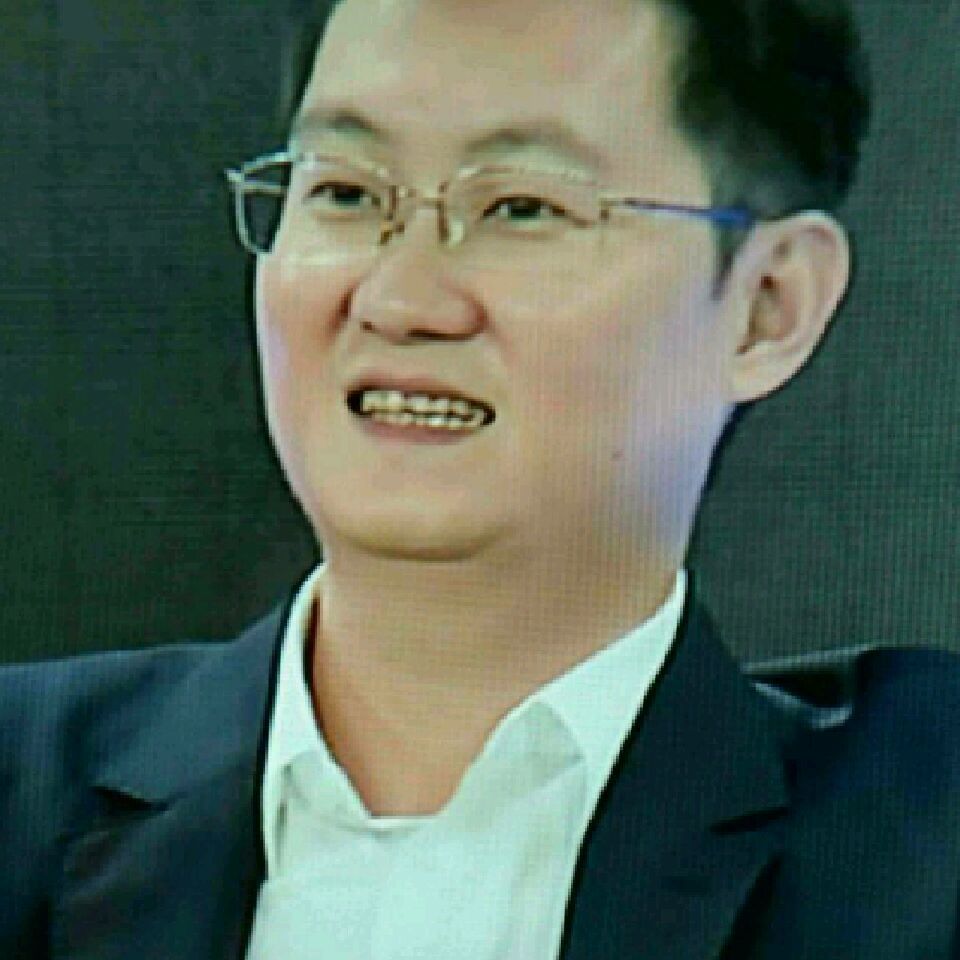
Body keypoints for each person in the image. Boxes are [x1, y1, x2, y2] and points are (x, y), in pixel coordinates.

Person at [2, 0, 959, 957]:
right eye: (346, 193)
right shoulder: (24, 791)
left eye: (522, 208)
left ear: (767, 307)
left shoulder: (916, 844)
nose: (400, 299)